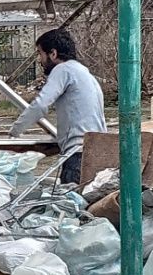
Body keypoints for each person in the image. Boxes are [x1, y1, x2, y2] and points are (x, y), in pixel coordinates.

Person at [9, 28, 106, 184]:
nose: (39, 60)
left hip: (77, 155)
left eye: (40, 53)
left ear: (53, 54)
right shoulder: (82, 71)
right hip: (96, 152)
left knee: (69, 199)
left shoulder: (62, 70)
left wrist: (15, 131)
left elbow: (40, 105)